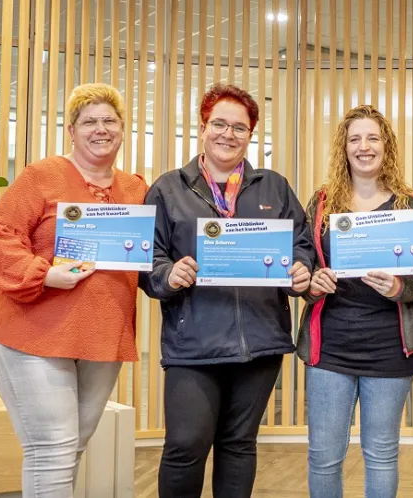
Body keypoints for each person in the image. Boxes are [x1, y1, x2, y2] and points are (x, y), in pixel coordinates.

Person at [139, 83, 314, 498]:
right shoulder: (168, 188)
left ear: (250, 134)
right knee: (185, 446)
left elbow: (301, 243)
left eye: (239, 127)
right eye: (219, 124)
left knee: (238, 445)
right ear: (203, 127)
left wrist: (301, 269)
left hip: (260, 341)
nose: (228, 134)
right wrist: (168, 273)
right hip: (193, 344)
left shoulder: (274, 186)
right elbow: (148, 259)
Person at [0, 83, 148, 496]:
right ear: (71, 130)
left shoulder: (136, 189)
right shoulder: (42, 176)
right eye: (89, 121)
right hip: (33, 335)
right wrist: (43, 274)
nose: (100, 129)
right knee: (53, 449)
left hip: (101, 337)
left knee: (70, 450)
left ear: (122, 129)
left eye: (109, 120)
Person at [296, 104, 413, 498]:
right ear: (344, 148)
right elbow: (303, 265)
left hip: (390, 348)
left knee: (381, 454)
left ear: (385, 145)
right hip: (330, 348)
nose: (364, 147)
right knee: (324, 456)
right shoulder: (321, 203)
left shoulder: (411, 205)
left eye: (373, 138)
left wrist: (398, 288)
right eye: (355, 139)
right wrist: (313, 283)